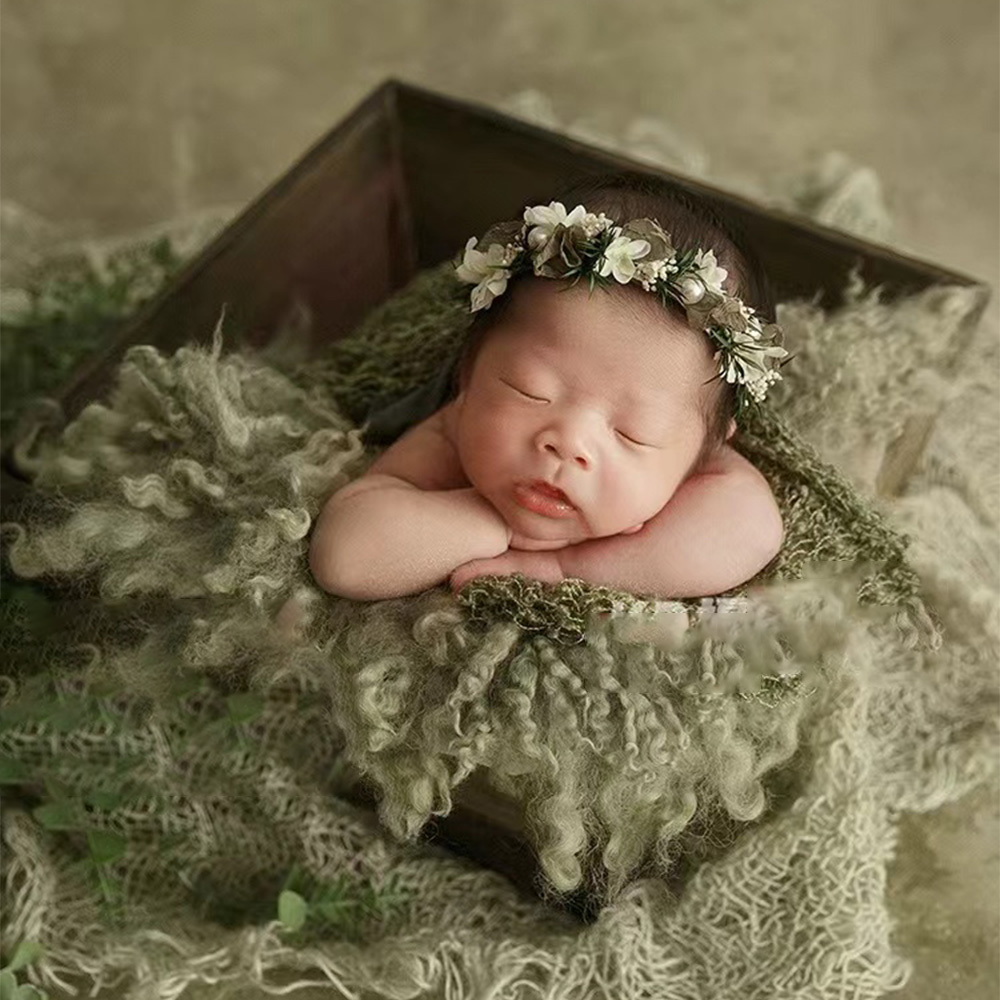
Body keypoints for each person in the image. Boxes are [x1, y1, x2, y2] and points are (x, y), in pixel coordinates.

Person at [308, 172, 787, 602]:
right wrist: (490, 521)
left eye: (632, 433)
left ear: (705, 448)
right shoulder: (454, 429)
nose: (568, 441)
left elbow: (754, 529)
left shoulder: (695, 454)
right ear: (467, 374)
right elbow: (346, 558)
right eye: (529, 390)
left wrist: (562, 567)